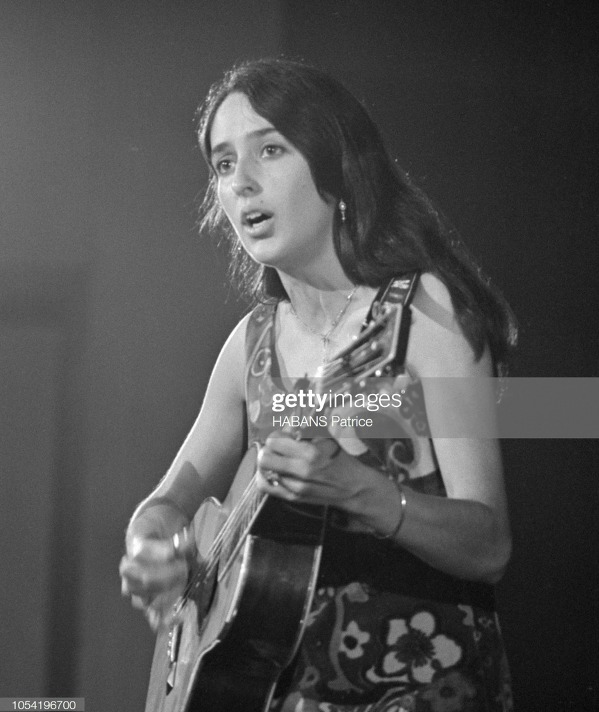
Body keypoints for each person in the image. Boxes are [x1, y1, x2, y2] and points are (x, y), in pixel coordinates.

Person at [119, 58, 517, 712]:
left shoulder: (425, 313)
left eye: (270, 150)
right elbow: (165, 506)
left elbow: (490, 543)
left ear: (337, 166)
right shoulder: (250, 345)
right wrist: (151, 550)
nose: (242, 182)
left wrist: (364, 492)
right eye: (223, 164)